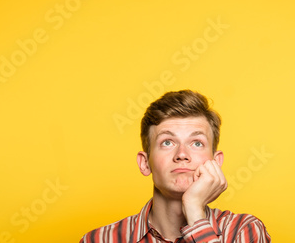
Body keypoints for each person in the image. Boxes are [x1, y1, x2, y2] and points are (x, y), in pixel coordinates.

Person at [80, 90, 271, 243]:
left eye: (196, 143)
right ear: (145, 163)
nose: (182, 155)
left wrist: (195, 212)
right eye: (167, 142)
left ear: (216, 162)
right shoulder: (98, 240)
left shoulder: (243, 231)